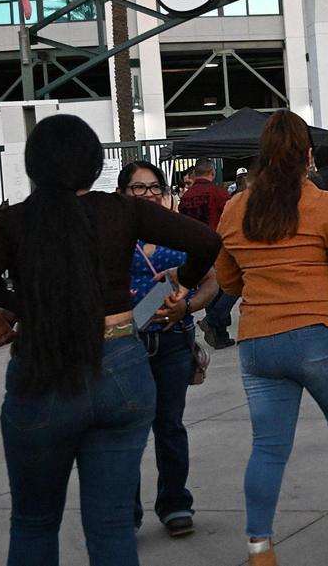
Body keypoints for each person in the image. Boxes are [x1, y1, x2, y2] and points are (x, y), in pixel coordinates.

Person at [0, 114, 220, 566]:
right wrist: (182, 279)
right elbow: (206, 241)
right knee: (112, 524)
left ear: (32, 165)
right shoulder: (123, 210)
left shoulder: (12, 222)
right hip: (121, 363)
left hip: (42, 370)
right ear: (94, 164)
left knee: (34, 521)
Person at [215, 110, 328, 566]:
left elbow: (229, 280)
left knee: (268, 446)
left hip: (260, 342)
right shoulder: (324, 205)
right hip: (322, 337)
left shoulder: (236, 209)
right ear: (308, 155)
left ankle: (260, 550)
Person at [118, 161, 222, 537]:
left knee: (170, 426)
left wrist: (188, 306)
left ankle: (175, 503)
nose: (147, 195)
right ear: (122, 194)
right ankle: (125, 513)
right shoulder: (112, 236)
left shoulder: (180, 234)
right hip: (124, 344)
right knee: (126, 431)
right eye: (138, 188)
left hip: (173, 339)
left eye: (153, 188)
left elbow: (212, 282)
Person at [181, 159, 236, 349]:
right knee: (231, 286)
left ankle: (219, 334)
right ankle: (213, 321)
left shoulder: (187, 196)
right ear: (212, 173)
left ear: (195, 174)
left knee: (209, 286)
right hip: (218, 247)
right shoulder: (219, 193)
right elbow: (231, 217)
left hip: (195, 248)